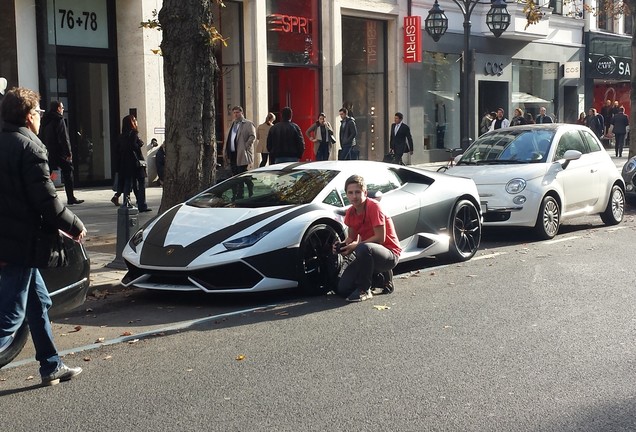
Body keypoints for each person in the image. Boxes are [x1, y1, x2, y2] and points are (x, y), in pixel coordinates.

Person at [0, 87, 87, 386]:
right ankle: (51, 364)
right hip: (21, 242)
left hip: (9, 239)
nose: (39, 117)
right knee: (10, 317)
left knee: (38, 303)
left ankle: (51, 365)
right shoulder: (30, 148)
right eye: (36, 112)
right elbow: (46, 200)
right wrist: (74, 224)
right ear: (28, 116)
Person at [335, 175, 401, 302]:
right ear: (347, 195)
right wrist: (341, 245)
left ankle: (364, 290)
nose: (354, 196)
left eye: (357, 192)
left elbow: (380, 238)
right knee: (343, 289)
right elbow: (351, 238)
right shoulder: (350, 212)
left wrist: (355, 246)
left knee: (363, 248)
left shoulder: (374, 207)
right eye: (350, 193)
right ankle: (382, 279)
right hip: (368, 254)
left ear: (365, 193)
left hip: (389, 255)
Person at [41, 101, 84, 205]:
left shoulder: (45, 120)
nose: (63, 109)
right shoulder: (59, 119)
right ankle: (70, 197)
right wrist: (68, 152)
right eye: (62, 107)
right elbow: (63, 137)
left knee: (48, 173)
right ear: (58, 109)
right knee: (68, 172)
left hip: (48, 151)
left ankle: (47, 197)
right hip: (59, 151)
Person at [113, 115, 151, 211]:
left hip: (125, 164)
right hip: (135, 163)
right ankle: (142, 205)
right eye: (134, 120)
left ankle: (126, 204)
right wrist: (139, 143)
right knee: (141, 183)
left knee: (128, 184)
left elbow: (118, 150)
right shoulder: (133, 133)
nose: (136, 122)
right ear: (131, 123)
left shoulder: (121, 136)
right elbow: (134, 146)